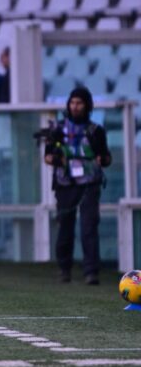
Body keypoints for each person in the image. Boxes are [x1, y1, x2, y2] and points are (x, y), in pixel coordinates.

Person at [44, 87, 112, 285]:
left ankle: (91, 271)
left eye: (79, 103)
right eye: (72, 102)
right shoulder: (57, 129)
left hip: (90, 183)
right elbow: (47, 157)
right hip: (65, 184)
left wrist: (102, 160)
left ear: (87, 105)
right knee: (65, 226)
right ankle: (64, 269)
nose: (75, 106)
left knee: (89, 227)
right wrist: (58, 159)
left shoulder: (96, 131)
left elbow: (106, 157)